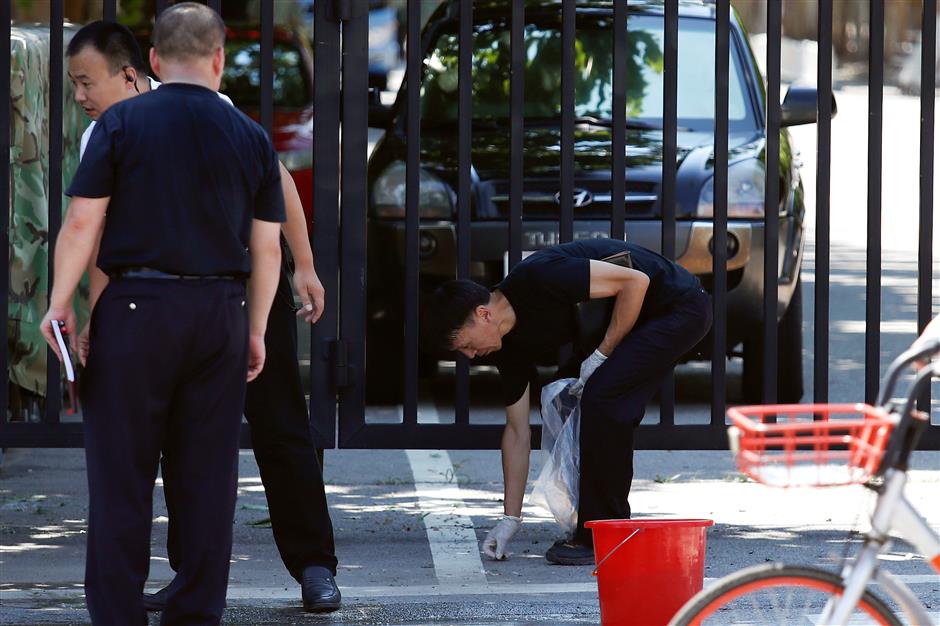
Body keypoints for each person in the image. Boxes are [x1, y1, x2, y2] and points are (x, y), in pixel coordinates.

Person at [64, 19, 340, 613]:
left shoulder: (210, 106)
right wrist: (94, 312)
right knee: (187, 447)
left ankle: (314, 564)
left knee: (279, 424)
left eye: (88, 82)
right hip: (163, 299)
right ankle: (190, 578)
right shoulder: (102, 135)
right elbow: (100, 238)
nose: (81, 97)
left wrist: (305, 264)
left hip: (242, 286)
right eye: (75, 85)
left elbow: (278, 183)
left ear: (138, 70)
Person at [423, 238, 712, 565]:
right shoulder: (508, 348)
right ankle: (588, 520)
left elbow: (636, 281)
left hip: (678, 307)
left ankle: (604, 534)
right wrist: (510, 520)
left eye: (466, 345)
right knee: (567, 400)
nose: (470, 355)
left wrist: (602, 355)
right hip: (638, 320)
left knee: (603, 397)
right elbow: (517, 432)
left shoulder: (538, 277)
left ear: (483, 314)